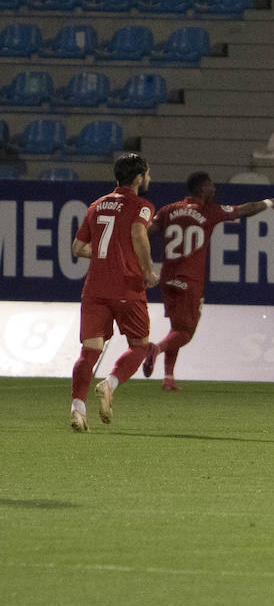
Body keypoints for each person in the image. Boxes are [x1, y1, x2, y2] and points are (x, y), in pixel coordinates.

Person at [141, 172, 274, 390]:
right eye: (211, 187)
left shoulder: (167, 211)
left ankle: (168, 379)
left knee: (176, 329)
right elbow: (246, 209)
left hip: (168, 279)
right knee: (186, 333)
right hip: (190, 280)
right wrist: (268, 203)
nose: (215, 190)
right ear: (201, 190)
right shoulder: (210, 212)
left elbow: (144, 234)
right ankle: (156, 349)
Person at [68, 153, 160, 432]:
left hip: (95, 289)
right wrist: (148, 270)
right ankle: (109, 384)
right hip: (126, 287)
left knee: (89, 351)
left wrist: (106, 255)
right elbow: (137, 232)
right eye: (147, 173)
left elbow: (78, 248)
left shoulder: (96, 206)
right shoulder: (142, 206)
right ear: (140, 177)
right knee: (140, 346)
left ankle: (77, 409)